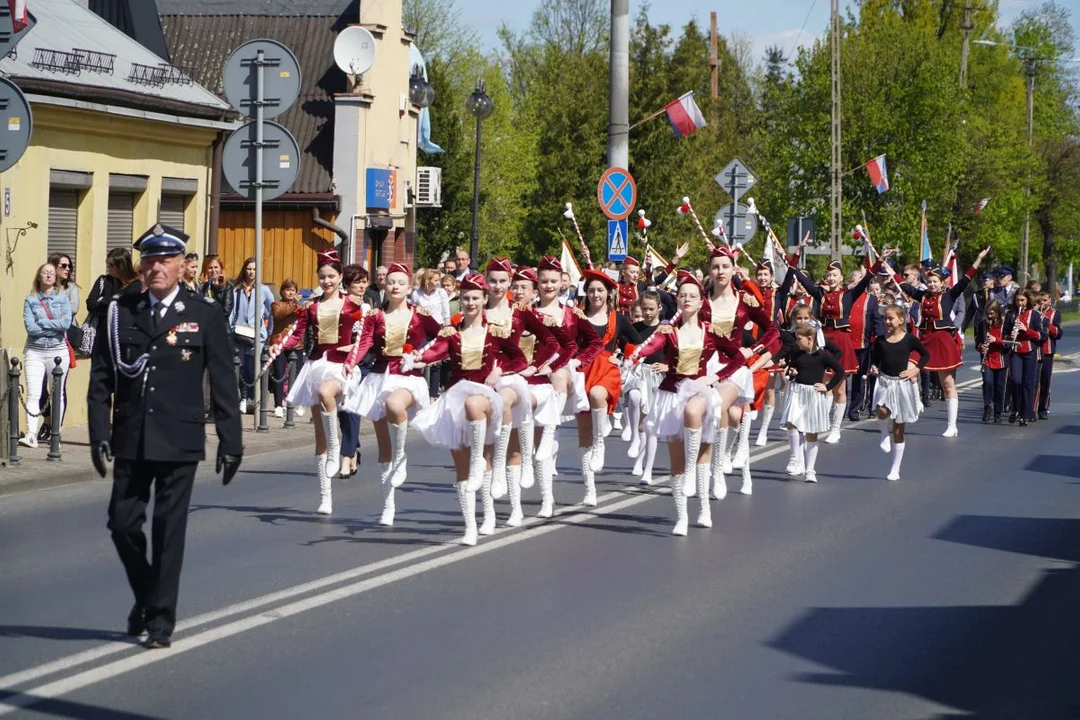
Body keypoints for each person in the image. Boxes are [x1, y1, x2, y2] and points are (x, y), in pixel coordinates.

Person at [88, 223, 242, 649]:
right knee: (121, 524)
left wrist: (232, 441)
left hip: (179, 437)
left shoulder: (204, 313)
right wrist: (100, 432)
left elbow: (224, 381)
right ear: (141, 266)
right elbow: (101, 378)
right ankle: (147, 595)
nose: (157, 268)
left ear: (182, 266)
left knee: (167, 530)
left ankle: (160, 622)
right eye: (150, 260)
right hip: (132, 436)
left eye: (166, 260)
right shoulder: (121, 310)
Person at [411, 273, 529, 544]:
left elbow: (519, 359)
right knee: (462, 466)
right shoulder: (452, 333)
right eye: (465, 298)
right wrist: (417, 357)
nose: (470, 302)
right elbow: (435, 352)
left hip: (486, 397)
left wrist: (500, 370)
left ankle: (487, 508)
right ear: (460, 301)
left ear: (485, 299)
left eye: (476, 297)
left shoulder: (496, 331)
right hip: (454, 399)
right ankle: (472, 525)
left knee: (478, 433)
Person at [629, 271, 747, 535]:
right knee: (676, 460)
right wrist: (637, 355)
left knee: (704, 450)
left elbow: (737, 358)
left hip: (700, 391)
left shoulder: (710, 330)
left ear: (701, 300)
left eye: (693, 295)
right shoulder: (669, 331)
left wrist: (715, 376)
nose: (687, 299)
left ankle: (704, 507)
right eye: (683, 295)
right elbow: (651, 346)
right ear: (677, 300)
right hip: (671, 394)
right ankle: (682, 516)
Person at [344, 263, 443, 526]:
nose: (395, 286)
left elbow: (445, 336)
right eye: (391, 282)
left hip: (408, 378)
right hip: (378, 377)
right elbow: (363, 342)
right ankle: (388, 504)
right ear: (385, 286)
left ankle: (401, 456)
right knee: (382, 446)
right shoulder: (375, 316)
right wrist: (351, 362)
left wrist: (424, 357)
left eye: (401, 282)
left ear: (410, 287)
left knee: (394, 404)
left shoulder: (421, 314)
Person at [269, 252, 366, 513]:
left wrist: (354, 349)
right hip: (316, 365)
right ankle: (326, 496)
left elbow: (367, 336)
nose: (327, 281)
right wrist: (277, 347)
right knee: (319, 438)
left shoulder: (354, 306)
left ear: (340, 277)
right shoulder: (311, 307)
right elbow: (296, 334)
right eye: (322, 277)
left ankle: (338, 450)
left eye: (331, 276)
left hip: (340, 366)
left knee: (326, 392)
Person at [483, 258, 558, 526]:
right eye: (493, 280)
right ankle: (488, 513)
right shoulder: (476, 311)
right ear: (485, 281)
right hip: (481, 381)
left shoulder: (520, 314)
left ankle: (515, 507)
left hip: (511, 379)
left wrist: (536, 366)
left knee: (507, 417)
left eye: (503, 281)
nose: (498, 286)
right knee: (483, 449)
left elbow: (551, 342)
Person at [892, 246, 990, 436]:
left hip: (943, 340)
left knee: (947, 384)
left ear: (942, 282)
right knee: (908, 369)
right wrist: (889, 270)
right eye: (929, 281)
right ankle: (917, 402)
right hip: (925, 339)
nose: (931, 284)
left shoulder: (950, 295)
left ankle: (952, 425)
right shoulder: (923, 296)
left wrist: (978, 259)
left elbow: (966, 279)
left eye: (935, 281)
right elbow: (904, 286)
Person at [571, 269, 641, 504]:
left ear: (609, 293)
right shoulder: (578, 316)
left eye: (600, 290)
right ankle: (590, 489)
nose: (595, 295)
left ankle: (601, 443)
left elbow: (638, 343)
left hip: (607, 371)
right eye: (591, 290)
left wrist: (622, 358)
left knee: (597, 394)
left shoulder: (618, 318)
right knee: (584, 433)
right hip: (584, 371)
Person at [777, 324, 847, 483]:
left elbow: (840, 372)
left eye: (799, 339)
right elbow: (792, 371)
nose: (797, 342)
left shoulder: (822, 356)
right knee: (791, 423)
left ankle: (810, 470)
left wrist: (827, 386)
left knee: (811, 433)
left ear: (810, 339)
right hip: (797, 392)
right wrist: (791, 372)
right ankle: (795, 457)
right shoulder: (796, 353)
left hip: (813, 395)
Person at [870, 304, 930, 481]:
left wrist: (915, 370)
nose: (887, 321)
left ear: (901, 320)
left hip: (902, 384)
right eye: (885, 318)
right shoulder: (880, 340)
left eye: (891, 318)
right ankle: (882, 433)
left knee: (898, 426)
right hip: (884, 382)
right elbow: (875, 359)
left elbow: (925, 355)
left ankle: (895, 468)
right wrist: (873, 367)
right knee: (881, 410)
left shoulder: (909, 339)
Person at [20, 262, 73, 449]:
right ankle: (31, 434)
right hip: (35, 351)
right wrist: (52, 324)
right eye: (45, 272)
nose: (49, 275)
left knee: (57, 393)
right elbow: (31, 328)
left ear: (55, 278)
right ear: (39, 277)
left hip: (58, 351)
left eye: (52, 273)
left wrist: (43, 321)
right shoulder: (30, 300)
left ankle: (55, 434)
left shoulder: (63, 298)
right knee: (34, 393)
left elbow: (66, 323)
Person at [624, 291, 664, 485]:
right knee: (633, 396)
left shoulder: (665, 329)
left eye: (651, 309)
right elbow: (624, 347)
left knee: (649, 425)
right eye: (645, 309)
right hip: (638, 373)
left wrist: (667, 366)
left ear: (659, 308)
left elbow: (675, 352)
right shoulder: (635, 328)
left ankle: (646, 468)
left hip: (658, 377)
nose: (647, 313)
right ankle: (633, 437)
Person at [337, 266, 372, 478]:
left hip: (362, 364)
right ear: (347, 284)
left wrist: (356, 350)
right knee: (342, 410)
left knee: (351, 408)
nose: (361, 285)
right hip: (340, 362)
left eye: (364, 281)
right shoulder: (341, 306)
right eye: (357, 281)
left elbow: (371, 338)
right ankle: (353, 446)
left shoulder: (369, 307)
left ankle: (347, 456)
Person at [229, 257, 274, 414]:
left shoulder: (264, 290)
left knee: (252, 367)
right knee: (240, 367)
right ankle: (243, 398)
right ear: (244, 269)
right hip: (239, 333)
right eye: (249, 268)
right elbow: (232, 311)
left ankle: (254, 399)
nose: (251, 272)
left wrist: (268, 332)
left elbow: (271, 311)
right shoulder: (236, 289)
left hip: (256, 335)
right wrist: (230, 328)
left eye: (254, 269)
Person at [1005, 289, 1043, 427]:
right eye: (1017, 300)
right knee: (1015, 380)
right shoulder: (1011, 314)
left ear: (1028, 300)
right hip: (1015, 351)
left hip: (1029, 351)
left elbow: (1041, 335)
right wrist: (1011, 334)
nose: (1019, 303)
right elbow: (1004, 335)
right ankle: (1016, 407)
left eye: (1022, 300)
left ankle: (1025, 414)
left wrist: (1026, 330)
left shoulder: (1034, 315)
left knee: (1028, 383)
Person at [269, 278, 301, 419]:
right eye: (288, 290)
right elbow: (279, 314)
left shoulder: (299, 306)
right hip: (279, 343)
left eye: (293, 290)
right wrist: (294, 305)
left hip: (296, 344)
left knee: (297, 374)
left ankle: (294, 402)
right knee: (279, 374)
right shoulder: (276, 304)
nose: (290, 292)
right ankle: (278, 405)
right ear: (282, 291)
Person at [979, 300, 1009, 423]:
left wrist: (996, 340)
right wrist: (982, 347)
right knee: (987, 383)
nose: (989, 316)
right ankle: (987, 407)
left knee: (999, 387)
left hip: (1001, 359)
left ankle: (998, 412)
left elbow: (1008, 344)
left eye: (992, 313)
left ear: (997, 312)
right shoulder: (983, 324)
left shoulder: (1004, 325)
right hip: (988, 360)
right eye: (988, 314)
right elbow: (978, 342)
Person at [1035, 292, 1061, 420]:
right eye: (1040, 300)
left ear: (1049, 300)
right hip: (1034, 350)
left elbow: (1058, 333)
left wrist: (1045, 321)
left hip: (1047, 351)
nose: (1042, 303)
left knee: (1045, 380)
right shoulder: (1033, 312)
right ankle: (1030, 408)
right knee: (1033, 381)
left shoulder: (1055, 314)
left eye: (1045, 300)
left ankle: (1043, 408)